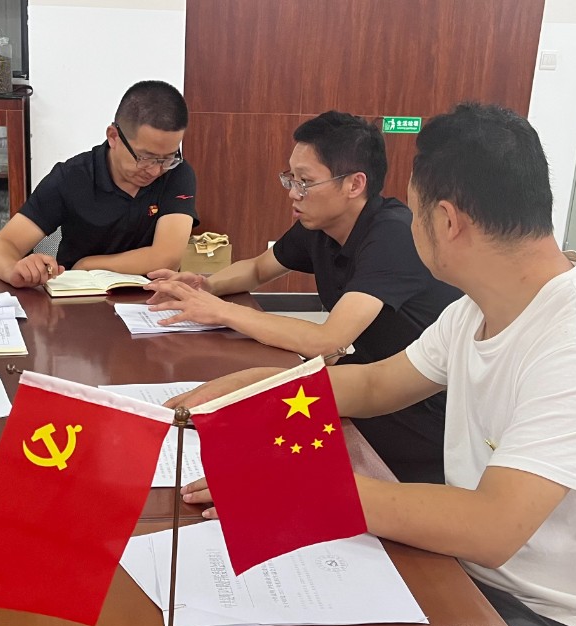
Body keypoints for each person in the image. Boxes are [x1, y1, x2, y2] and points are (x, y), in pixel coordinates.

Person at [174, 104, 576, 626]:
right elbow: (375, 385)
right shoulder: (477, 308)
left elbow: (490, 528)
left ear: (446, 221)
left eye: (414, 212)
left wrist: (297, 486)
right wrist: (256, 389)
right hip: (471, 577)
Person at [145, 111, 461, 482]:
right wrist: (204, 286)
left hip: (419, 411)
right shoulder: (320, 225)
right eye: (291, 178)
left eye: (305, 182)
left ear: (354, 184)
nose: (293, 192)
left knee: (256, 441)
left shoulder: (392, 235)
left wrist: (221, 312)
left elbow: (328, 340)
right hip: (367, 380)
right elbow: (258, 269)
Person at [0, 80, 198, 287]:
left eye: (168, 158)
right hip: (78, 297)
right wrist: (13, 270)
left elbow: (167, 258)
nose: (155, 170)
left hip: (151, 300)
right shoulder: (73, 177)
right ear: (113, 136)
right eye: (145, 158)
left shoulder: (176, 173)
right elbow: (4, 244)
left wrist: (88, 265)